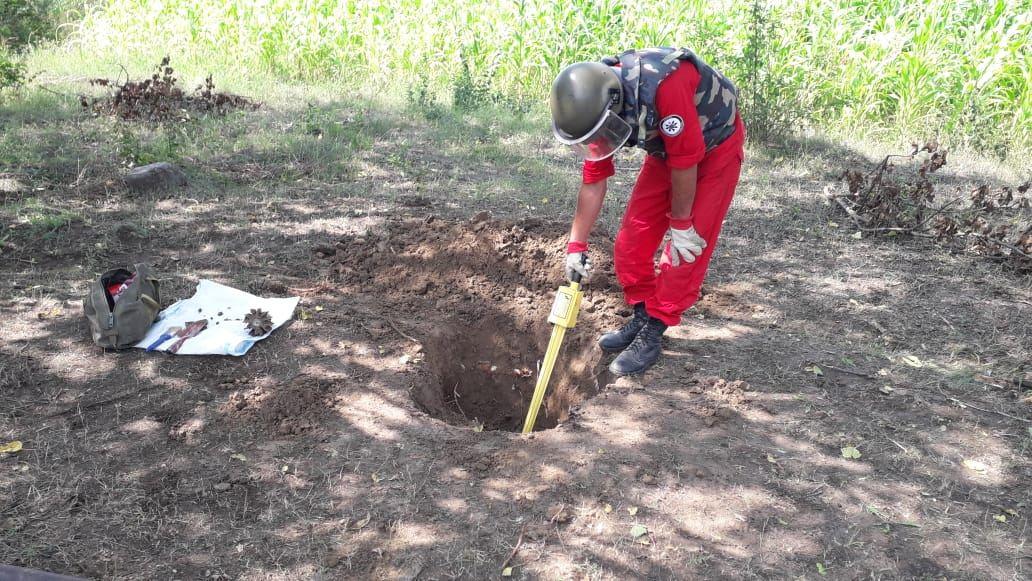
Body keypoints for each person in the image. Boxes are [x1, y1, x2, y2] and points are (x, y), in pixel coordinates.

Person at [549, 47, 745, 376]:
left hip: (714, 149)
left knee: (685, 251)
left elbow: (686, 161)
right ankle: (642, 313)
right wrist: (575, 246)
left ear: (614, 107)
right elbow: (594, 180)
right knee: (631, 239)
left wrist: (681, 224)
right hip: (668, 152)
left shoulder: (666, 85)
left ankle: (655, 327)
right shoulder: (594, 101)